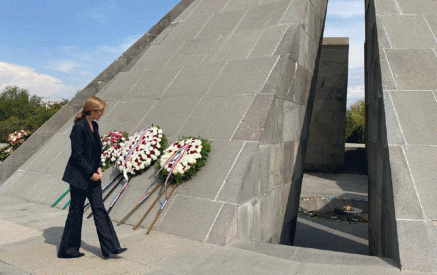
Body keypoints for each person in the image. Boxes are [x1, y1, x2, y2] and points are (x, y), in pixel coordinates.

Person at [58, 96, 127, 259]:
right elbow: (77, 155)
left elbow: (96, 151)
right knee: (76, 212)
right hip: (79, 177)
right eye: (100, 111)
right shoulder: (78, 127)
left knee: (99, 210)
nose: (102, 113)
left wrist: (99, 168)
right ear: (92, 110)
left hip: (93, 175)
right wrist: (91, 173)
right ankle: (68, 250)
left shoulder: (94, 125)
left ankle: (111, 247)